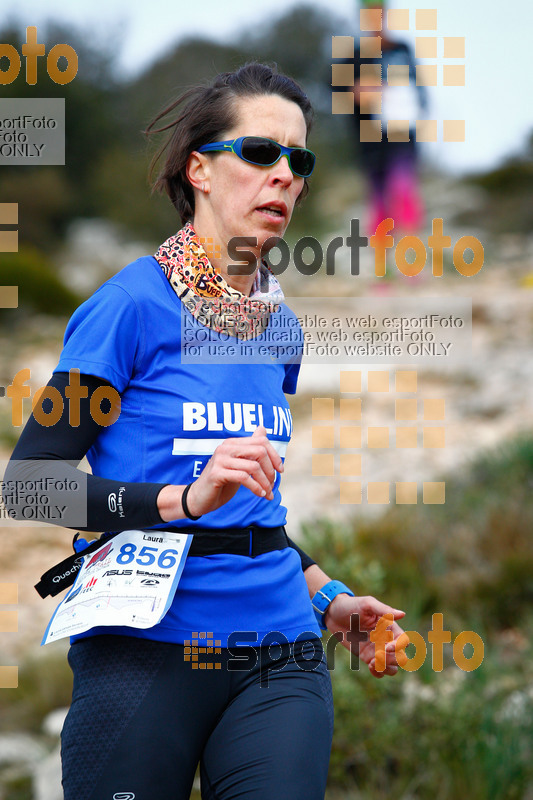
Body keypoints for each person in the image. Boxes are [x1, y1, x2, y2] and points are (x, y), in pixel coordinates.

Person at [5, 62, 406, 800]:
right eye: (260, 152)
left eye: (299, 159)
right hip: (142, 652)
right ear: (200, 170)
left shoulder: (278, 330)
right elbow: (31, 485)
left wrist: (329, 599)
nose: (283, 175)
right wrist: (181, 500)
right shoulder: (129, 310)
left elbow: (251, 511)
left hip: (278, 652)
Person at [342, 0, 427, 235]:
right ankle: (382, 265)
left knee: (404, 193)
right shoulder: (354, 56)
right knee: (378, 202)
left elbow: (419, 91)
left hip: (402, 137)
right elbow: (338, 91)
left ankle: (411, 263)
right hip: (371, 143)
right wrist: (358, 90)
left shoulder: (402, 50)